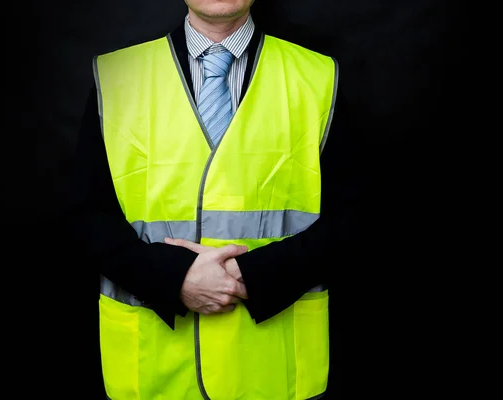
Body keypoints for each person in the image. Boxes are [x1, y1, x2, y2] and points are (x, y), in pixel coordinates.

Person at [68, 0, 356, 398]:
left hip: (273, 366)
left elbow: (353, 217)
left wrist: (255, 276)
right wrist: (173, 279)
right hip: (155, 365)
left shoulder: (318, 77)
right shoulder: (116, 76)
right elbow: (86, 215)